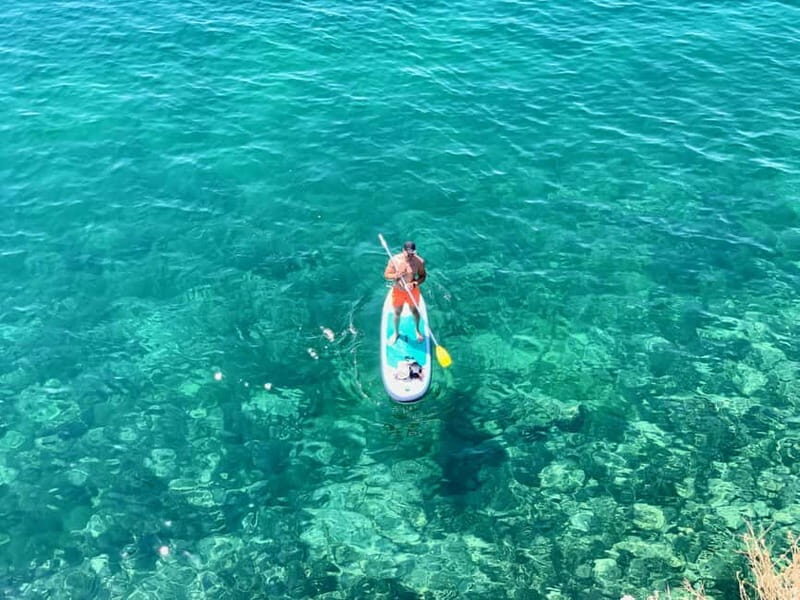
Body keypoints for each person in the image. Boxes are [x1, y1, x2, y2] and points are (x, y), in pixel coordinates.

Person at [384, 240, 427, 344]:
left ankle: (417, 330)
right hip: (398, 290)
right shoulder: (394, 260)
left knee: (415, 312)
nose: (411, 256)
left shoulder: (419, 262)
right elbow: (386, 275)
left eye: (413, 253)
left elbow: (423, 276)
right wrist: (396, 276)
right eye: (408, 253)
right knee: (397, 312)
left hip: (412, 291)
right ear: (403, 250)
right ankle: (396, 333)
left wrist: (414, 284)